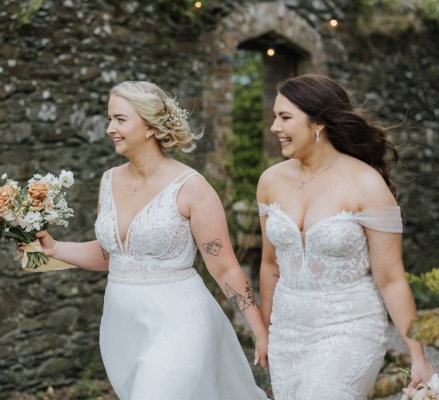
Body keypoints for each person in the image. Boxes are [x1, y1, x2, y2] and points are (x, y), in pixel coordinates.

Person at [29, 81, 269, 400]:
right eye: (109, 119)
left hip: (180, 322)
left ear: (149, 127)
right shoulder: (108, 180)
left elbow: (225, 268)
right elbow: (110, 254)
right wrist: (55, 248)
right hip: (122, 327)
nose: (109, 128)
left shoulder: (191, 187)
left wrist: (260, 332)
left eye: (119, 119)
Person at [257, 74, 434, 400]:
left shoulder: (366, 184)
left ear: (318, 123)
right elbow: (270, 265)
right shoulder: (270, 181)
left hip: (349, 326)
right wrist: (264, 331)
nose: (274, 128)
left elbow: (391, 279)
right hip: (287, 331)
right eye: (274, 117)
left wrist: (417, 355)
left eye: (284, 117)